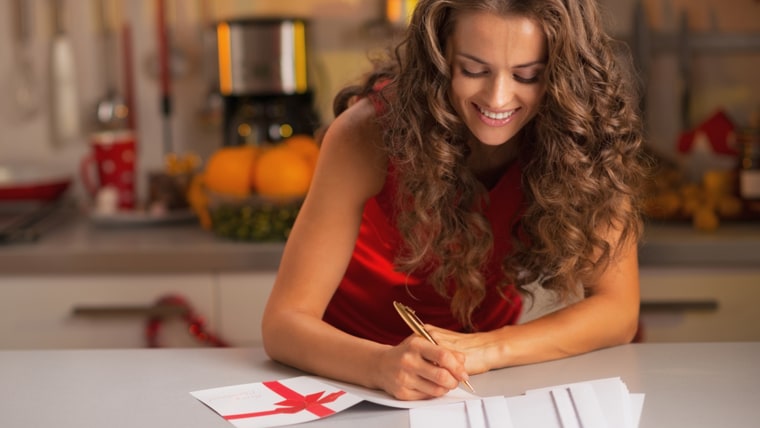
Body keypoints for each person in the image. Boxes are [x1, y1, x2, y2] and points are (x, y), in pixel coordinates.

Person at [262, 0, 647, 401]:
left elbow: (618, 311)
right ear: (439, 58)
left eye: (527, 75)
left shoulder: (584, 137)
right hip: (348, 366)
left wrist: (491, 349)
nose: (498, 99)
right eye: (474, 70)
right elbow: (283, 324)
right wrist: (379, 366)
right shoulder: (366, 133)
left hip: (475, 373)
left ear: (562, 75)